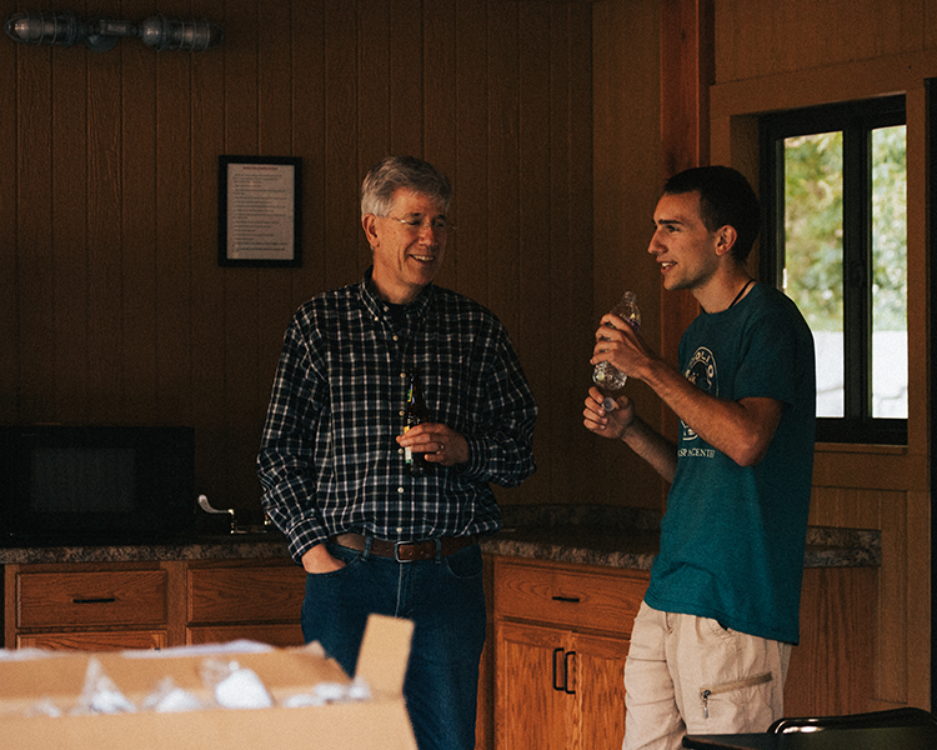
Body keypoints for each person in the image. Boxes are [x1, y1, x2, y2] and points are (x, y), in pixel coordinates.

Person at [257, 155, 538, 750]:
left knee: (445, 742)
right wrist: (314, 553)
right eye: (414, 221)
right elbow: (278, 454)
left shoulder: (476, 329)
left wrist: (466, 449)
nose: (430, 238)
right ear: (373, 228)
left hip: (446, 578)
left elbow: (520, 453)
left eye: (440, 222)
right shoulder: (319, 325)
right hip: (351, 576)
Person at [583, 166, 816, 749]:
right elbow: (697, 467)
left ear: (723, 239)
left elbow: (746, 442)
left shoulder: (770, 319)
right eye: (655, 228)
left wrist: (649, 368)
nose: (653, 245)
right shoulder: (695, 335)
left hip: (735, 602)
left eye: (671, 228)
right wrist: (631, 428)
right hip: (668, 593)